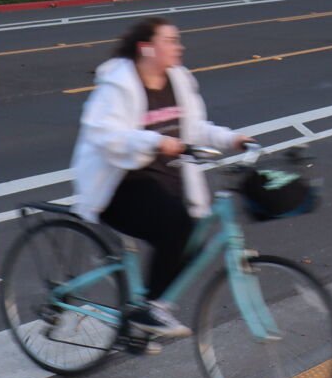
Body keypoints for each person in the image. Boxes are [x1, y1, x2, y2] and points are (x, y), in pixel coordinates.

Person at [71, 17, 248, 338]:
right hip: (119, 184)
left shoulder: (178, 80)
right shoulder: (118, 85)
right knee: (176, 227)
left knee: (192, 241)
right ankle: (148, 310)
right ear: (146, 48)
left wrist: (232, 139)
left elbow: (195, 129)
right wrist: (154, 141)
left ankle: (150, 309)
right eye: (170, 40)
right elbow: (104, 134)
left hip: (165, 182)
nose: (178, 47)